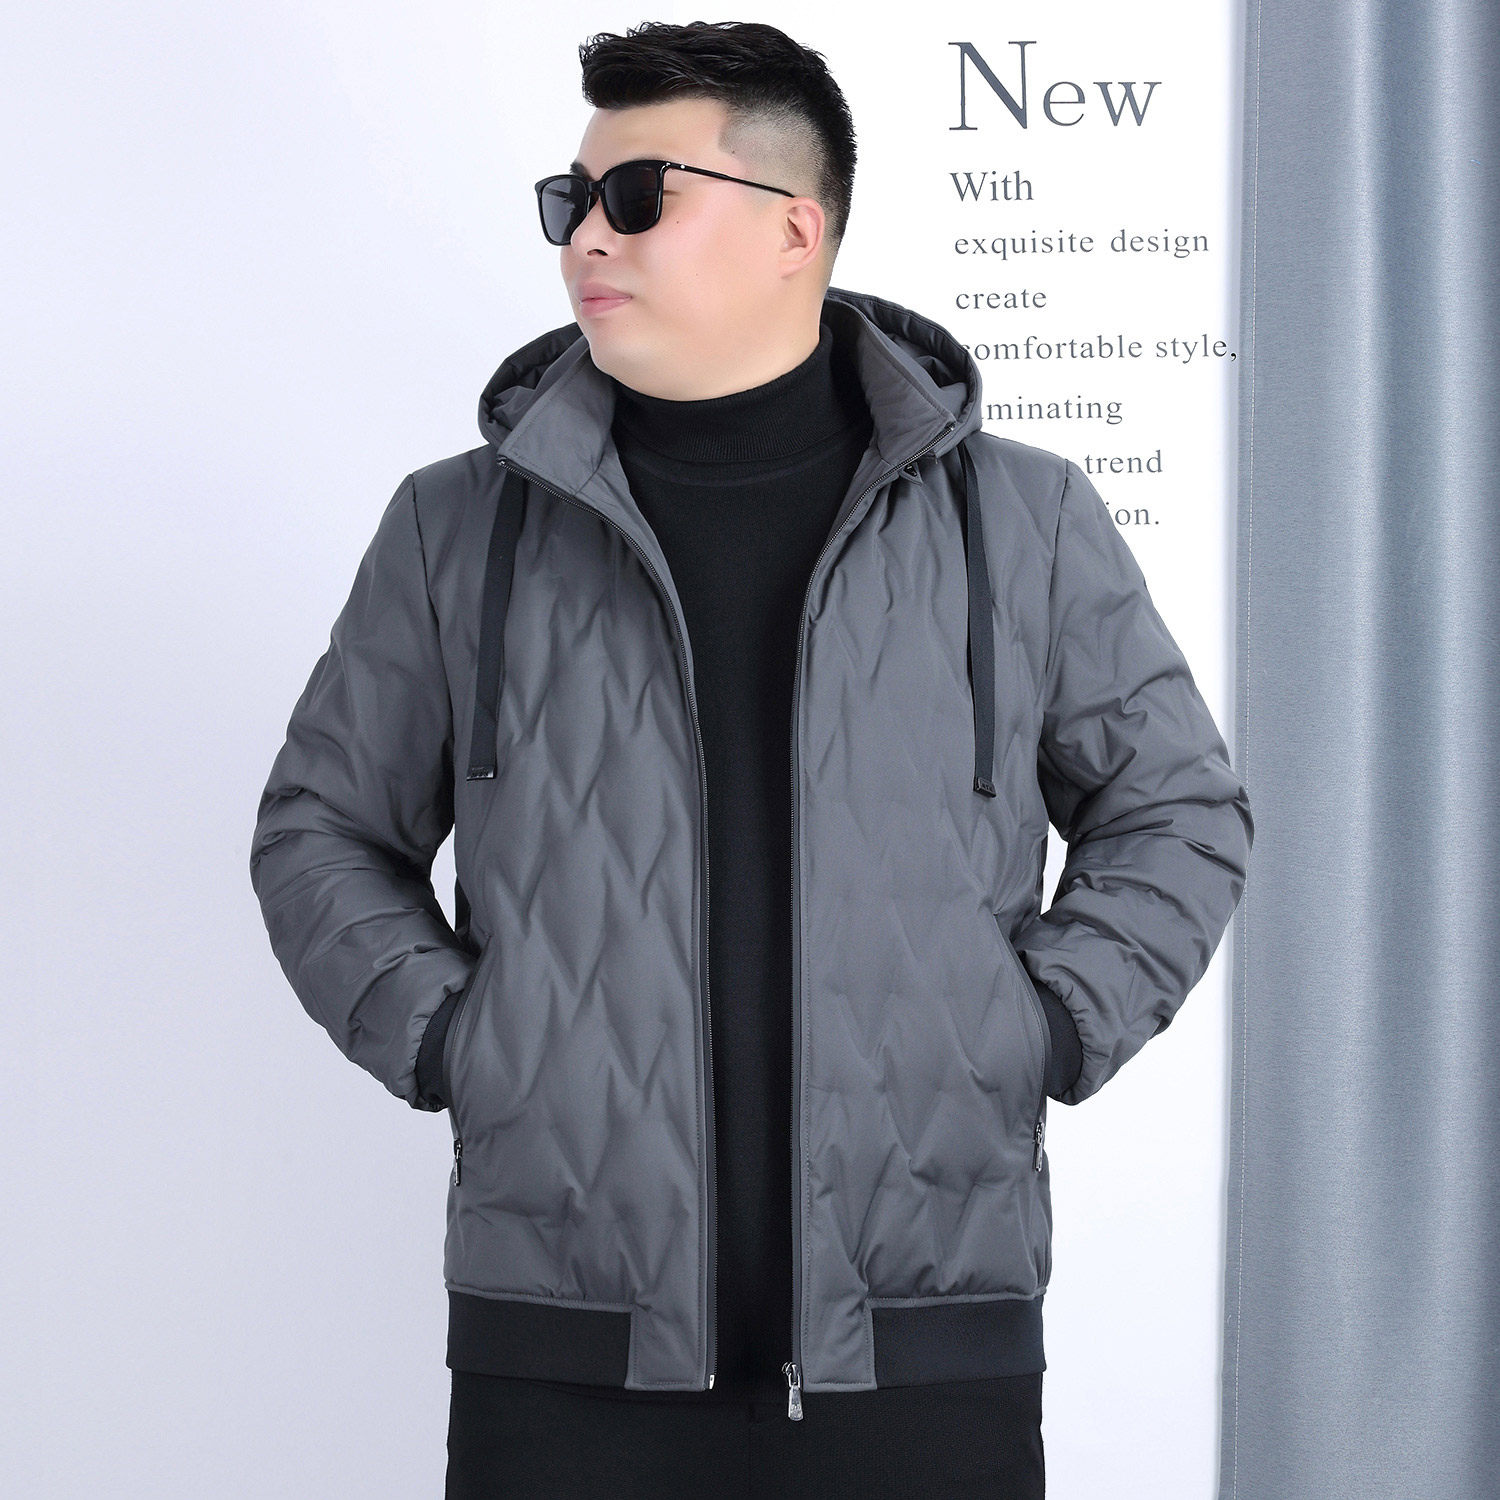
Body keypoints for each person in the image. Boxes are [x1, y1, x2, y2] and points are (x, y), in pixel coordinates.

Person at [248, 20, 1254, 1499]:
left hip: (924, 1340)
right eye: (570, 201)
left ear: (798, 227)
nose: (587, 236)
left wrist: (1034, 1027)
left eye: (637, 195)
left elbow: (1176, 810)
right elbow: (320, 827)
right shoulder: (458, 527)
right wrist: (463, 1040)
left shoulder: (1021, 521)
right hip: (565, 1345)